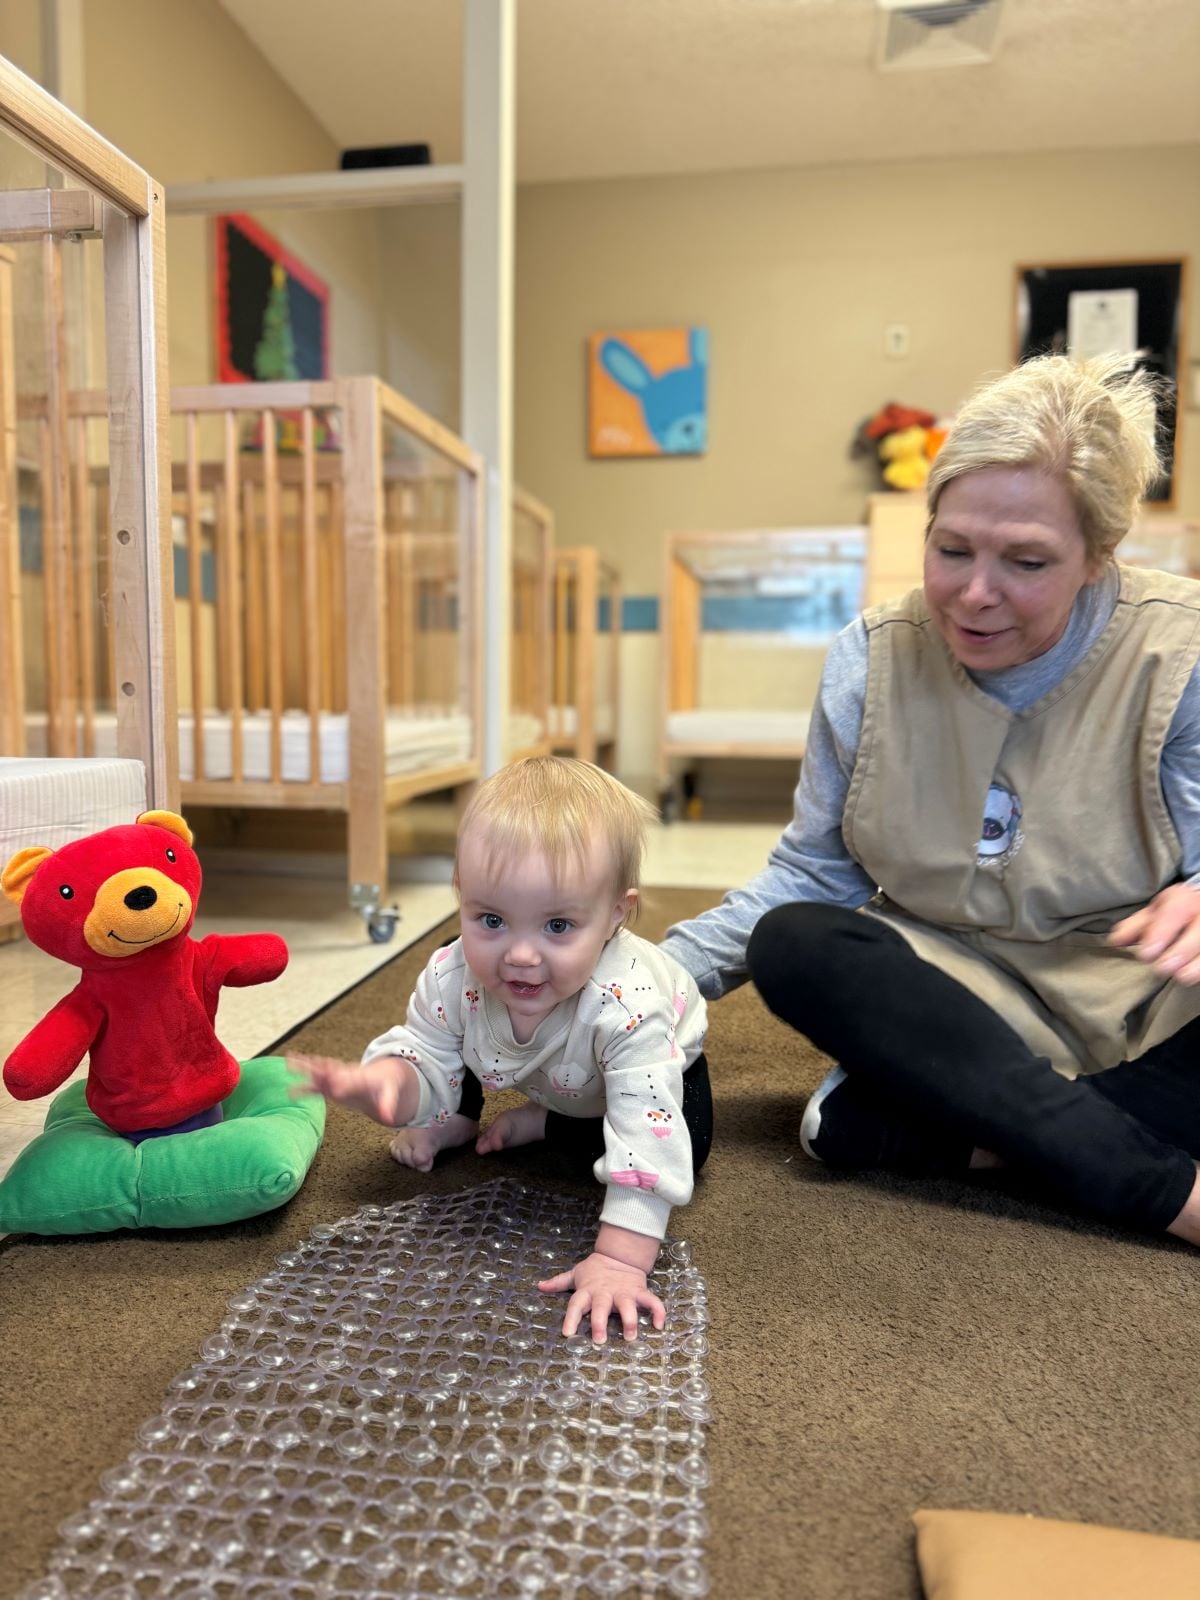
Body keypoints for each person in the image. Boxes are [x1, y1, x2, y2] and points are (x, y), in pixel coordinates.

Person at [660, 353, 1200, 1247]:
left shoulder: (1179, 655)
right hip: (954, 993)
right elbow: (809, 879)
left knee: (853, 1129)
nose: (974, 594)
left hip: (1140, 997)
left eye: (1026, 561)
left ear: (1101, 557)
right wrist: (640, 980)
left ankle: (1001, 1132)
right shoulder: (869, 658)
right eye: (951, 550)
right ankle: (1159, 1182)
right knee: (796, 944)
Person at [294, 756, 711, 1343]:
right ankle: (458, 1121)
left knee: (684, 1149)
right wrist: (391, 1082)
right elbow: (431, 1048)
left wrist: (620, 1262)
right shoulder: (456, 971)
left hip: (655, 1067)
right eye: (491, 918)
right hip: (546, 1059)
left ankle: (550, 1124)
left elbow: (648, 1126)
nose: (519, 955)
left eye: (558, 926)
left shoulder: (632, 1005)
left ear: (617, 913)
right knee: (460, 1015)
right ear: (461, 895)